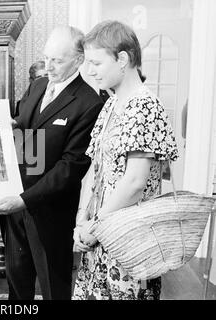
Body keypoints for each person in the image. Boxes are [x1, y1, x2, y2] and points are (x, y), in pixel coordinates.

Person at [0, 26, 104, 300]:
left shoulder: (89, 103)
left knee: (54, 287)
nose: (48, 67)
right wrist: (6, 126)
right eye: (46, 58)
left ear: (78, 59)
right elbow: (23, 132)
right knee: (17, 283)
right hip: (15, 206)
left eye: (57, 61)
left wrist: (25, 199)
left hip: (51, 213)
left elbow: (70, 169)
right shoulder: (37, 86)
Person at [72, 20, 178, 300]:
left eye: (96, 62)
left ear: (122, 58)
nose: (89, 70)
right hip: (101, 231)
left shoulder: (144, 105)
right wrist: (81, 221)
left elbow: (134, 182)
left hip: (129, 239)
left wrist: (95, 226)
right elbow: (96, 171)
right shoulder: (111, 103)